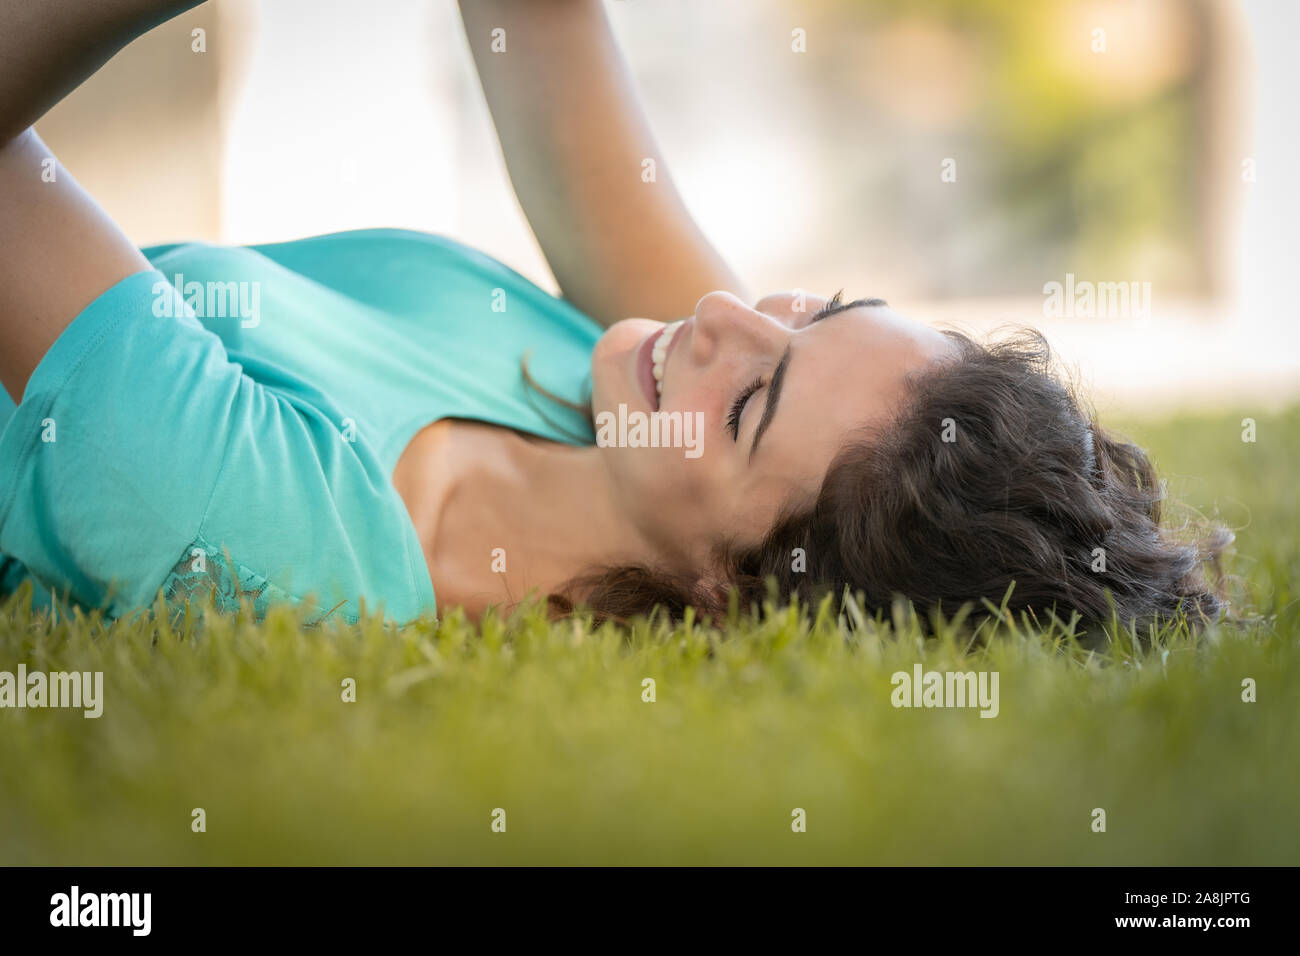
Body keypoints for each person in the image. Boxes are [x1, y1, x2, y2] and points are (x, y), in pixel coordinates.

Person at [0, 0, 1228, 629]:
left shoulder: (280, 537)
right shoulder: (632, 393)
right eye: (813, 311)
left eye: (754, 399)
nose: (720, 315)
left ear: (728, 592)